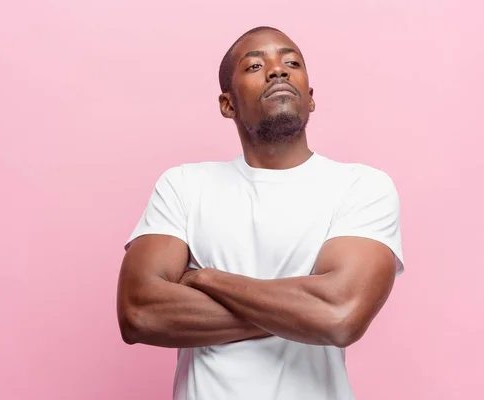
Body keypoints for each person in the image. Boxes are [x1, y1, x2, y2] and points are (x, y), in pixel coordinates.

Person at [116, 26, 404, 400]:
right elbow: (139, 313)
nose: (277, 71)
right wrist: (303, 311)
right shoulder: (184, 185)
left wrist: (207, 279)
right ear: (228, 104)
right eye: (255, 66)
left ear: (311, 97)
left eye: (291, 63)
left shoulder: (361, 186)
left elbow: (339, 315)